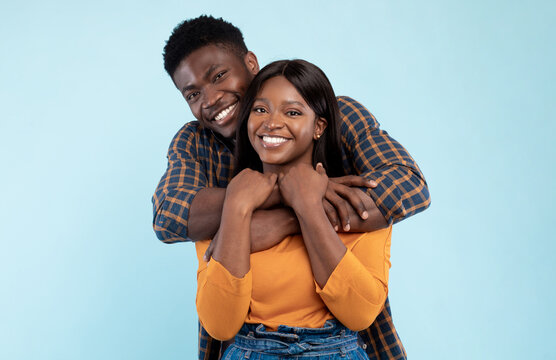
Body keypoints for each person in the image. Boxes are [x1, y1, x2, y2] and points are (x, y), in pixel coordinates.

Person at [152, 15, 430, 359]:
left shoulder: (334, 113)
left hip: (349, 341)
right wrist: (288, 193)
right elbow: (170, 217)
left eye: (219, 76)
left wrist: (274, 214)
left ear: (250, 63)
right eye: (193, 93)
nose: (210, 100)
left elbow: (407, 185)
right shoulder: (196, 143)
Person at [196, 59, 393, 359]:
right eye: (260, 109)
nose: (271, 122)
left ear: (319, 127)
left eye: (293, 112)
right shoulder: (221, 206)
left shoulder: (356, 203)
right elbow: (219, 325)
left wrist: (309, 208)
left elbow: (360, 313)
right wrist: (236, 207)